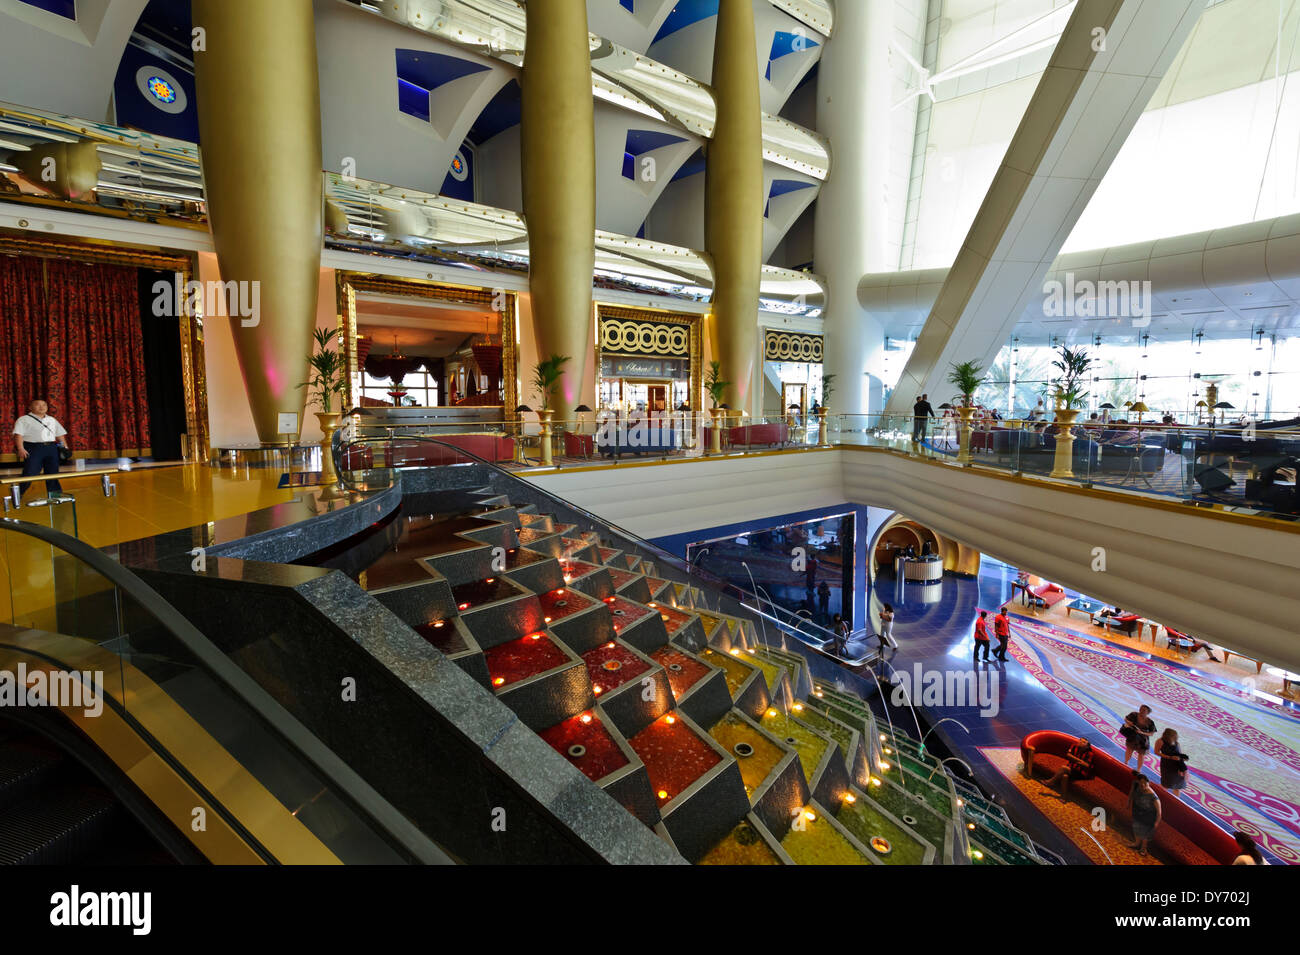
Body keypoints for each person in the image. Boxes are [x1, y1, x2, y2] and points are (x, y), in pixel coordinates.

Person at [12, 399, 70, 498]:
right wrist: (20, 448)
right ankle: (18, 494)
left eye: (44, 405)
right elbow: (18, 435)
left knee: (53, 473)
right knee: (30, 472)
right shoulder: (23, 419)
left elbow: (60, 435)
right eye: (38, 405)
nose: (41, 407)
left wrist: (65, 447)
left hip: (51, 448)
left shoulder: (52, 419)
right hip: (33, 448)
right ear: (30, 407)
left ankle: (55, 495)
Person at [1127, 773, 1162, 855]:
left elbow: (1159, 812)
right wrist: (1128, 802)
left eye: (1145, 783)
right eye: (1141, 783)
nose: (1143, 785)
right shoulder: (1135, 784)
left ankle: (1143, 849)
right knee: (1136, 828)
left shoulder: (1153, 797)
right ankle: (1136, 843)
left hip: (1148, 816)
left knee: (1145, 833)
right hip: (1137, 811)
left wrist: (1157, 822)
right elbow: (1131, 793)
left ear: (1148, 783)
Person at [1121, 704, 1158, 770]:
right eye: (1141, 709)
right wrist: (1129, 723)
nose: (1141, 711)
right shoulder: (1134, 714)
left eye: (1144, 710)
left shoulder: (1150, 722)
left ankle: (1138, 769)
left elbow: (1151, 733)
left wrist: (1142, 732)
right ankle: (1125, 763)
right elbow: (1126, 719)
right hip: (1132, 736)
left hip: (1142, 740)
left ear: (1148, 712)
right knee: (1129, 750)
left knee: (1141, 755)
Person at [1154, 728, 1188, 797]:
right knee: (1166, 783)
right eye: (1174, 736)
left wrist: (1183, 759)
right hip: (1167, 764)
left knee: (1178, 786)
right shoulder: (1160, 741)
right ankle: (1157, 796)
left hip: (1176, 766)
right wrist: (1169, 757)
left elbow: (1179, 754)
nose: (1175, 738)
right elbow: (1156, 752)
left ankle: (1177, 800)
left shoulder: (1176, 743)